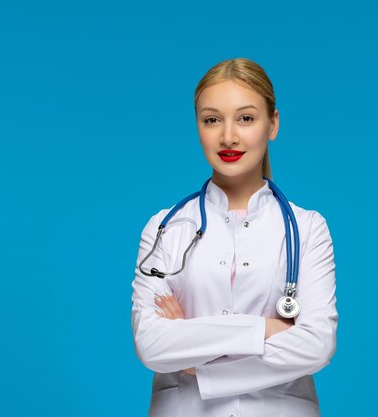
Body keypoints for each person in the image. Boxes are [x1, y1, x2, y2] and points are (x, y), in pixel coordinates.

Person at [131, 57, 338, 417]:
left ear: (272, 124)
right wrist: (265, 330)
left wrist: (199, 364)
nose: (228, 136)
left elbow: (317, 346)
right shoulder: (164, 227)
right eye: (212, 119)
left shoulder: (307, 229)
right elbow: (152, 346)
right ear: (198, 126)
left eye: (246, 118)